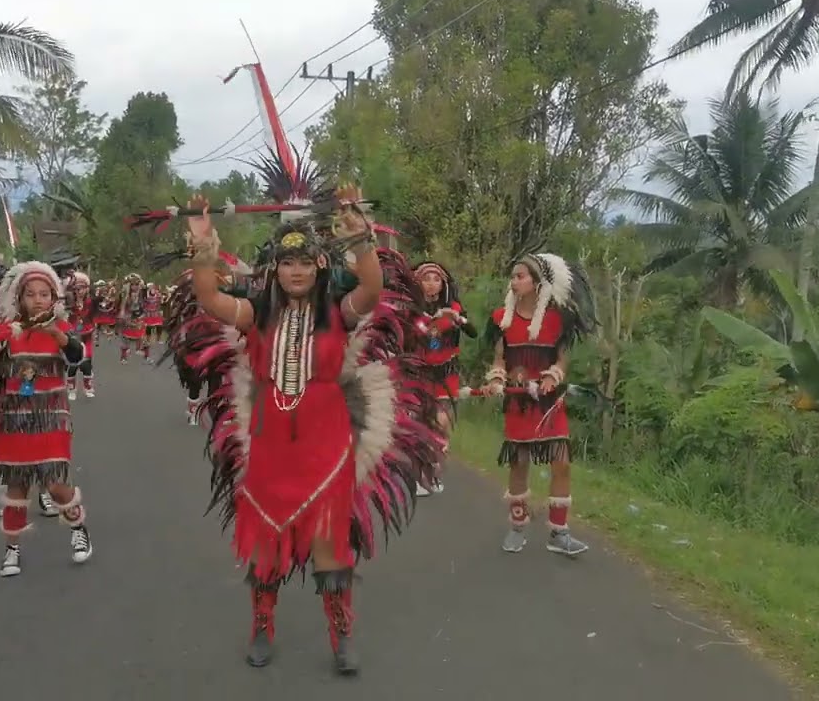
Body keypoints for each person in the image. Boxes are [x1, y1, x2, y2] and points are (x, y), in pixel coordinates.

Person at [173, 182, 443, 675]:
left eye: (304, 263)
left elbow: (373, 288)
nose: (295, 271)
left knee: (329, 546)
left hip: (326, 445)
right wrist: (203, 243)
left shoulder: (339, 314)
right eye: (286, 263)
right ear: (275, 270)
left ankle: (341, 634)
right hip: (269, 447)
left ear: (319, 268)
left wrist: (360, 236)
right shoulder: (255, 314)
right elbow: (210, 297)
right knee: (264, 544)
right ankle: (261, 625)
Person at [0, 261, 94, 577]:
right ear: (20, 298)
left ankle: (78, 528)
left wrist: (56, 333)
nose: (38, 300)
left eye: (44, 294)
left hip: (52, 415)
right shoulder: (9, 329)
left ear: (54, 298)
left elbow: (78, 357)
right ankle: (11, 550)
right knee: (17, 486)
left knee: (56, 485)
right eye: (31, 294)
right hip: (14, 419)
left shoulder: (62, 330)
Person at [480, 253, 597, 556]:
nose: (514, 281)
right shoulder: (501, 319)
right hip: (518, 404)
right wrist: (496, 379)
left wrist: (552, 376)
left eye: (520, 276)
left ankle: (559, 533)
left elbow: (562, 360)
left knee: (562, 463)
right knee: (519, 463)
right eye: (513, 276)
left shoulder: (557, 319)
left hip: (548, 404)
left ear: (537, 283)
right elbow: (499, 359)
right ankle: (517, 526)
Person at [412, 261, 478, 496]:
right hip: (419, 373)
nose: (431, 284)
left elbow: (473, 332)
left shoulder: (453, 307)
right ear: (417, 282)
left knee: (441, 424)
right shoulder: (409, 308)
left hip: (446, 374)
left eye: (436, 279)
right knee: (421, 426)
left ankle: (434, 473)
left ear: (443, 284)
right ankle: (419, 475)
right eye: (426, 278)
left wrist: (458, 319)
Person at [64, 271, 97, 399]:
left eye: (82, 288)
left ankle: (88, 387)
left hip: (86, 334)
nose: (79, 291)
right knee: (72, 363)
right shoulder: (68, 303)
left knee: (86, 361)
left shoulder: (91, 302)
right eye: (76, 288)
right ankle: (71, 388)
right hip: (72, 335)